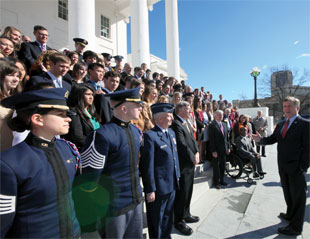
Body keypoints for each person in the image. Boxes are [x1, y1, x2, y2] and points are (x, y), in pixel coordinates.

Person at [0, 88, 80, 238]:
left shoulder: (67, 149)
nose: (68, 118)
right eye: (61, 114)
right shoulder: (9, 163)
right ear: (37, 119)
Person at [74, 87, 144, 238]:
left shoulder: (135, 131)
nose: (141, 108)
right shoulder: (102, 135)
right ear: (124, 108)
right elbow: (89, 179)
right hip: (114, 208)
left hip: (136, 200)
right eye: (137, 105)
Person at [253, 96, 309, 236]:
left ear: (297, 107)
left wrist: (303, 167)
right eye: (284, 106)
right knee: (288, 193)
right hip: (283, 166)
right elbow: (273, 139)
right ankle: (290, 215)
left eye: (289, 106)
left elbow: (308, 149)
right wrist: (260, 140)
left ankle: (296, 227)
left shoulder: (305, 124)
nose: (286, 109)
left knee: (298, 198)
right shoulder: (281, 123)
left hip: (296, 168)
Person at [140, 103, 180, 239]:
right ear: (161, 118)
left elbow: (174, 158)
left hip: (172, 184)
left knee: (168, 216)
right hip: (159, 188)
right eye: (169, 116)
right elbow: (147, 166)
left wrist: (177, 177)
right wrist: (150, 189)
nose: (172, 119)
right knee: (156, 220)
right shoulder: (150, 136)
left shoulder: (171, 133)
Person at [170, 101, 200, 236]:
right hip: (183, 164)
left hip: (190, 163)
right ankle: (178, 221)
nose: (189, 111)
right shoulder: (176, 123)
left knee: (188, 191)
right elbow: (181, 145)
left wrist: (198, 152)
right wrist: (192, 156)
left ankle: (186, 214)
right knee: (182, 193)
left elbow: (192, 141)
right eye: (187, 109)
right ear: (180, 110)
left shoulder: (186, 123)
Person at [65, 83, 100, 150]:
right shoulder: (73, 112)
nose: (91, 97)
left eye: (92, 94)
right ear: (79, 95)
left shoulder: (91, 111)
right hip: (84, 151)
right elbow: (78, 137)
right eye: (88, 94)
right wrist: (96, 145)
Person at [0, 61, 20, 151]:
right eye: (11, 75)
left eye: (17, 76)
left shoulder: (15, 99)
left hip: (11, 152)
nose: (16, 79)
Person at [208, 110, 230, 189]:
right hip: (216, 150)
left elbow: (227, 138)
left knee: (222, 166)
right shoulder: (212, 125)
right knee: (216, 167)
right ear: (215, 116)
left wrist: (228, 148)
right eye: (219, 115)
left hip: (224, 149)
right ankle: (216, 183)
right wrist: (213, 151)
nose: (221, 116)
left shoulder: (224, 124)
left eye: (222, 115)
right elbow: (211, 139)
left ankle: (222, 180)